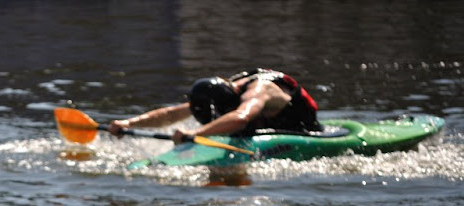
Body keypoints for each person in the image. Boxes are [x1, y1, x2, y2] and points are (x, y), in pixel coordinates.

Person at [108, 68, 322, 142]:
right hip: (264, 126)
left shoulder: (257, 92)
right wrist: (128, 124)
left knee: (238, 126)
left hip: (302, 129)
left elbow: (241, 118)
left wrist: (196, 133)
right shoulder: (223, 92)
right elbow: (172, 114)